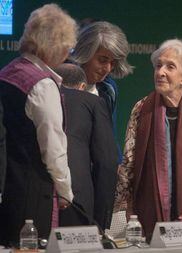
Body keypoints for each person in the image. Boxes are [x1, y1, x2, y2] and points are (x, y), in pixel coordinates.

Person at [114, 39, 182, 238]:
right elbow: (128, 165)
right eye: (158, 66)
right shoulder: (141, 109)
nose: (160, 72)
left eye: (170, 66)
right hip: (147, 219)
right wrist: (128, 210)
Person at [0, 4, 77, 246]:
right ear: (54, 46)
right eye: (67, 47)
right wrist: (65, 190)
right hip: (32, 195)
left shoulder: (7, 72)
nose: (68, 52)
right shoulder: (42, 85)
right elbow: (53, 147)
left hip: (8, 189)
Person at [54, 63, 118, 229]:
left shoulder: (36, 97)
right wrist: (101, 220)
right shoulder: (93, 102)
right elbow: (106, 162)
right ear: (82, 86)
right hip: (77, 199)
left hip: (38, 196)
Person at [71, 21, 133, 163]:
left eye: (112, 63)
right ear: (85, 52)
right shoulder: (59, 83)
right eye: (102, 60)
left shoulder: (109, 89)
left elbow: (108, 138)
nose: (107, 69)